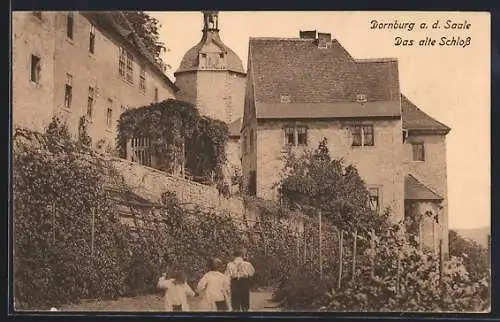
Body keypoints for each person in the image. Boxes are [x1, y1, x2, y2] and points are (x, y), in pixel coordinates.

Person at [225, 247, 255, 312]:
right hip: (244, 283)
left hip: (234, 283)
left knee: (235, 302)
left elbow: (227, 276)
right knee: (245, 301)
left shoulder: (229, 264)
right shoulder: (247, 264)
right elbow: (251, 273)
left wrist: (227, 286)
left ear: (234, 255)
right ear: (242, 255)